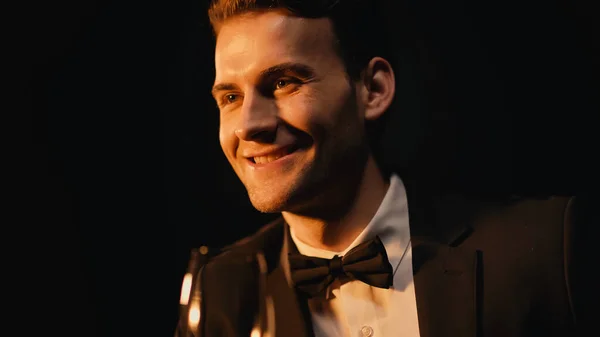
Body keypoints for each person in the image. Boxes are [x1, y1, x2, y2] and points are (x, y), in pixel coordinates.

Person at [175, 1, 592, 336]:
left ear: (372, 90)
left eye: (284, 82)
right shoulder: (219, 294)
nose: (249, 124)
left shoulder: (546, 249)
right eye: (230, 97)